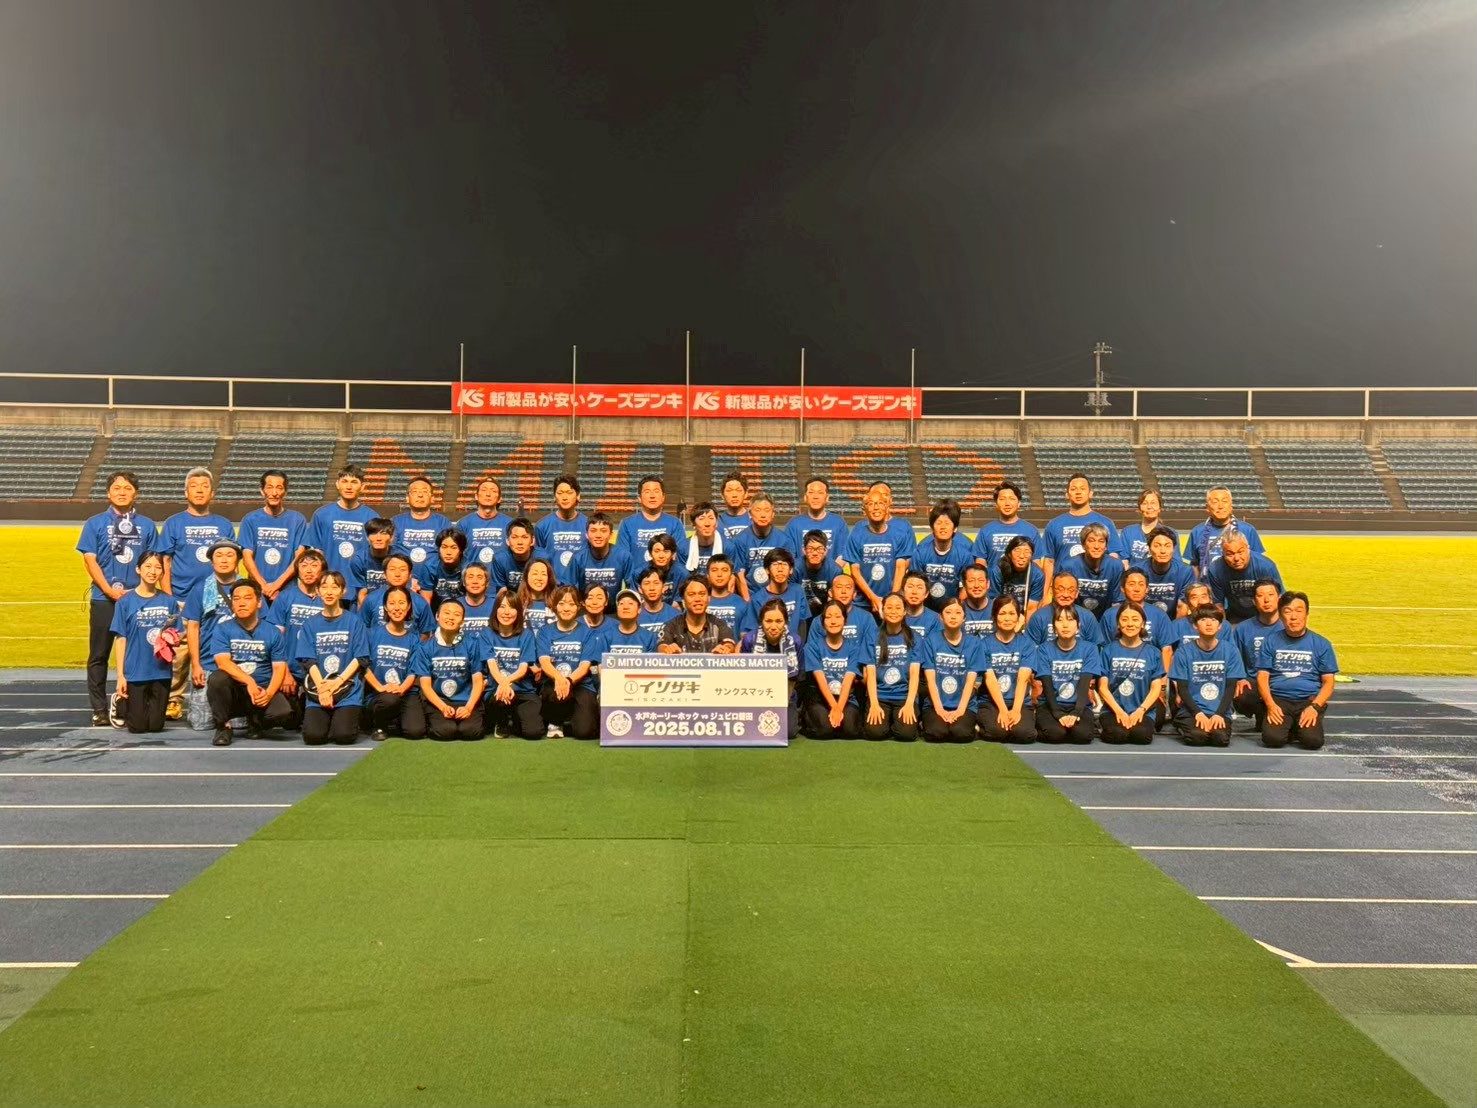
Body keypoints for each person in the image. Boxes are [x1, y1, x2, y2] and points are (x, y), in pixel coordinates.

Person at [78, 470, 160, 725]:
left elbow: (153, 563)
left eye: (127, 488)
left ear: (136, 493)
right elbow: (90, 560)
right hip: (104, 598)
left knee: (139, 654)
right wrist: (109, 590)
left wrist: (146, 593)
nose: (122, 492)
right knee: (99, 654)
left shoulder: (147, 525)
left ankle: (131, 704)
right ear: (108, 493)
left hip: (138, 600)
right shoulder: (94, 523)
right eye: (117, 488)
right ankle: (99, 709)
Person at [160, 467, 236, 719]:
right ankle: (173, 699)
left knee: (218, 648)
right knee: (179, 656)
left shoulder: (223, 524)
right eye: (194, 486)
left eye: (205, 486)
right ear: (186, 492)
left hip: (218, 600)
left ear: (212, 493)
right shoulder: (174, 523)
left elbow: (233, 561)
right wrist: (171, 598)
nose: (200, 490)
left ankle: (219, 699)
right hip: (183, 599)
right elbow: (165, 562)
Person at [206, 580, 292, 746]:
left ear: (259, 603)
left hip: (262, 688)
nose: (241, 603)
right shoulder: (222, 629)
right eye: (236, 599)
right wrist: (249, 681)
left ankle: (256, 720)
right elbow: (223, 662)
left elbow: (279, 667)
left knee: (283, 713)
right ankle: (223, 727)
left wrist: (269, 694)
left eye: (247, 598)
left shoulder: (273, 632)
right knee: (217, 679)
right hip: (235, 690)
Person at [294, 571, 370, 746]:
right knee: (313, 737)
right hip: (319, 689)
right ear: (318, 591)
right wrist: (322, 689)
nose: (329, 592)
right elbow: (308, 661)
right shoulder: (310, 624)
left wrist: (336, 683)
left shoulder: (354, 622)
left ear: (343, 591)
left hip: (347, 689)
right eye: (324, 587)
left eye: (334, 587)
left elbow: (360, 658)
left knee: (344, 736)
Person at [1256, 591, 1338, 751]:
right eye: (1287, 612)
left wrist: (1315, 707)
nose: (1293, 617)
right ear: (1280, 616)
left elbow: (1328, 681)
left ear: (1307, 614)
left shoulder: (1322, 644)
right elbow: (1262, 677)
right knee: (1272, 739)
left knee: (1312, 741)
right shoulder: (1270, 641)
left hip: (1308, 700)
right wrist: (1270, 705)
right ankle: (1289, 725)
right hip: (1279, 700)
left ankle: (1299, 724)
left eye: (1299, 611)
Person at [108, 551, 178, 734]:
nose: (152, 571)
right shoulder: (125, 602)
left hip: (161, 671)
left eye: (157, 568)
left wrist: (171, 638)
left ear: (162, 572)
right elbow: (121, 639)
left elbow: (178, 634)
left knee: (155, 726)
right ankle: (121, 704)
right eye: (148, 566)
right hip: (135, 671)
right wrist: (121, 675)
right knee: (137, 727)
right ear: (138, 569)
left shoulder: (169, 602)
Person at [1168, 603, 1245, 747]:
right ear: (1195, 626)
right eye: (1203, 620)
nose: (1209, 623)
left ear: (1220, 626)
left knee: (1220, 739)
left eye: (1214, 620)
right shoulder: (1183, 652)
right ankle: (1181, 724)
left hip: (1219, 710)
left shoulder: (1230, 651)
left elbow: (1230, 687)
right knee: (1197, 737)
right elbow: (1182, 688)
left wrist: (1218, 714)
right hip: (1192, 711)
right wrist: (1198, 713)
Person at [268, 548, 329, 723]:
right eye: (304, 566)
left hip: (320, 671)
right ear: (297, 570)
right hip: (291, 669)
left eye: (314, 566)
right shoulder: (285, 597)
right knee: (289, 721)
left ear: (323, 570)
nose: (309, 570)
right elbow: (275, 640)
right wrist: (285, 673)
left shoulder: (328, 598)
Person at [414, 598, 486, 741]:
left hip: (466, 701)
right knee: (445, 732)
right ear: (437, 616)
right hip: (439, 701)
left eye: (456, 614)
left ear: (463, 621)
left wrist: (468, 708)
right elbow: (425, 685)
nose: (451, 617)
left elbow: (478, 681)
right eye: (446, 613)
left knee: (471, 732)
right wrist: (443, 707)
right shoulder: (425, 647)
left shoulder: (472, 644)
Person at [184, 540, 246, 705]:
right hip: (208, 665)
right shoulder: (200, 589)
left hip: (241, 665)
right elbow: (193, 627)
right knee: (201, 718)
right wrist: (196, 665)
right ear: (212, 562)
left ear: (238, 560)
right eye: (219, 555)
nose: (224, 560)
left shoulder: (248, 589)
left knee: (238, 719)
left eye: (229, 555)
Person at [1040, 473, 1124, 593]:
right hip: (1064, 590)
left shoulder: (1106, 523)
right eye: (1074, 489)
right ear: (1067, 495)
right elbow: (1049, 562)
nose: (1078, 492)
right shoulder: (1054, 525)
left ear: (1091, 494)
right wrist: (1044, 594)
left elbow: (1113, 556)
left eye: (1082, 488)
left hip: (1097, 588)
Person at [1097, 602, 1166, 745]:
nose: (1129, 624)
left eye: (1135, 619)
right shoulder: (1108, 651)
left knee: (1141, 736)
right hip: (1113, 710)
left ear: (1143, 624)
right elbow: (1102, 687)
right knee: (1117, 735)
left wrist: (1141, 710)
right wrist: (1119, 711)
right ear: (1118, 624)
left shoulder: (1154, 653)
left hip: (1143, 710)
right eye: (1124, 619)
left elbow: (1156, 688)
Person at [536, 585, 601, 738]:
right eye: (561, 604)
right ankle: (555, 721)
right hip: (554, 684)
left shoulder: (587, 633)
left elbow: (584, 666)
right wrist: (559, 678)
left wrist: (569, 681)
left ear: (578, 606)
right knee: (553, 692)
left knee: (584, 732)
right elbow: (544, 662)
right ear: (554, 606)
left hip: (580, 685)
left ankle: (573, 721)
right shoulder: (545, 631)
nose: (566, 608)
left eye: (571, 604)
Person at [1031, 605, 1101, 744]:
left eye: (1070, 619)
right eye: (1060, 620)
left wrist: (1076, 713)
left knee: (1083, 736)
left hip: (1079, 705)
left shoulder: (1090, 649)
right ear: (1054, 627)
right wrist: (1058, 713)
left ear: (1078, 626)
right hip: (1050, 705)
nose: (1065, 625)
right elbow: (1047, 685)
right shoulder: (1044, 649)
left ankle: (1069, 728)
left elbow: (1084, 685)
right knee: (1055, 735)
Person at [839, 485, 914, 611]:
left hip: (891, 603)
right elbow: (855, 572)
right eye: (871, 504)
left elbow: (900, 567)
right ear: (864, 510)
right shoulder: (856, 534)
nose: (876, 507)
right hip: (862, 603)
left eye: (880, 503)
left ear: (887, 507)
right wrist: (873, 598)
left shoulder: (899, 534)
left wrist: (891, 598)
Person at [306, 465, 379, 594]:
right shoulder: (321, 515)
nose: (349, 487)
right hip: (329, 588)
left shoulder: (372, 517)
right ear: (337, 484)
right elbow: (316, 554)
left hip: (360, 588)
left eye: (354, 482)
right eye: (344, 481)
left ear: (362, 487)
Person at [362, 585, 422, 741]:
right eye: (392, 603)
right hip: (378, 693)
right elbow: (364, 666)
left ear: (408, 607)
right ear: (385, 608)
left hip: (405, 692)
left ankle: (396, 720)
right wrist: (380, 687)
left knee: (415, 731)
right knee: (389, 700)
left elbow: (413, 672)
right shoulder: (372, 634)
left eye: (401, 603)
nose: (397, 608)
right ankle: (378, 724)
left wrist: (401, 689)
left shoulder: (414, 639)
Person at [238, 470, 307, 603]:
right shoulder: (250, 520)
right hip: (258, 591)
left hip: (287, 591)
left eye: (279, 488)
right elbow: (247, 558)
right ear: (262, 491)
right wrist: (263, 586)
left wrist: (277, 585)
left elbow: (299, 558)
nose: (274, 493)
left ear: (285, 492)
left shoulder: (297, 520)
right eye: (269, 487)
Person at [922, 597, 985, 742]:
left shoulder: (974, 643)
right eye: (948, 612)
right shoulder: (931, 641)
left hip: (964, 705)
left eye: (958, 613)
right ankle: (925, 723)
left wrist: (960, 711)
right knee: (936, 733)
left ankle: (971, 725)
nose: (953, 616)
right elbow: (931, 681)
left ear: (964, 618)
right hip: (935, 704)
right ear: (941, 617)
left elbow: (970, 683)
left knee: (960, 733)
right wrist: (939, 710)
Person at [863, 593, 924, 741]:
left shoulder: (914, 637)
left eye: (898, 608)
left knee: (906, 734)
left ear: (904, 612)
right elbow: (871, 674)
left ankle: (896, 721)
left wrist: (910, 704)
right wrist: (874, 704)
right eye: (889, 607)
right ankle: (887, 722)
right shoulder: (872, 635)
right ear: (882, 611)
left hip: (903, 696)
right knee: (875, 733)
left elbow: (914, 674)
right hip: (880, 696)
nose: (893, 611)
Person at [740, 597, 802, 740]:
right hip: (754, 695)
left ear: (786, 622)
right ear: (761, 622)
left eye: (778, 621)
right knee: (750, 730)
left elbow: (797, 678)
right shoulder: (749, 640)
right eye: (768, 621)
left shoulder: (795, 642)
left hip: (785, 697)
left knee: (788, 732)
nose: (773, 627)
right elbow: (743, 676)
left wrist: (781, 703)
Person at [483, 591, 541, 739]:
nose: (507, 612)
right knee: (500, 698)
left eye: (512, 607)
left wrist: (506, 682)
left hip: (523, 690)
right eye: (502, 607)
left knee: (533, 732)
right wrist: (503, 684)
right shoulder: (487, 634)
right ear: (496, 610)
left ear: (518, 612)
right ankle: (501, 722)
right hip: (497, 691)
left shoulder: (526, 635)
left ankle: (516, 719)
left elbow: (523, 669)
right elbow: (491, 664)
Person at [803, 599, 864, 739]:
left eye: (838, 616)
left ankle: (836, 722)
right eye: (828, 617)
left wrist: (838, 708)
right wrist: (834, 707)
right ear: (823, 622)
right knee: (824, 730)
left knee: (851, 730)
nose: (833, 621)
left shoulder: (854, 647)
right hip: (820, 699)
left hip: (846, 699)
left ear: (845, 620)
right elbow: (821, 680)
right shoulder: (812, 646)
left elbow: (848, 681)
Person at [979, 596, 1036, 744]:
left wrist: (1016, 710)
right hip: (991, 702)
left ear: (1018, 617)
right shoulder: (984, 644)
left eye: (1011, 614)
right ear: (994, 616)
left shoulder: (1027, 644)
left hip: (1019, 702)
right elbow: (990, 679)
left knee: (1024, 734)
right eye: (1002, 613)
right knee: (997, 732)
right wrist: (1003, 710)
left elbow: (1023, 679)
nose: (1007, 618)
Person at [1232, 579, 1284, 730]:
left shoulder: (1288, 625)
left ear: (1279, 598)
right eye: (1260, 596)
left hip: (1282, 681)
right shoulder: (1243, 629)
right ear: (1254, 601)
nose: (1266, 600)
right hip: (1254, 681)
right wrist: (1240, 679)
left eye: (1271, 595)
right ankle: (1261, 713)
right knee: (1242, 693)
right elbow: (1235, 660)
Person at [729, 495, 797, 601]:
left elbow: (788, 573)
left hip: (778, 598)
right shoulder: (740, 540)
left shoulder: (784, 541)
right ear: (750, 514)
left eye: (767, 510)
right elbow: (740, 576)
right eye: (758, 510)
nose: (763, 515)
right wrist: (748, 603)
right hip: (750, 597)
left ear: (773, 514)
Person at [910, 498, 974, 611]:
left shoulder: (965, 555)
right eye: (939, 523)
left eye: (947, 523)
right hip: (926, 610)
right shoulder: (920, 552)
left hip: (952, 610)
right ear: (932, 528)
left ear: (955, 528)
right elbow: (915, 585)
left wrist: (954, 611)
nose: (943, 527)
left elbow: (965, 588)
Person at [1205, 534, 1283, 624]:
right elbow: (1218, 603)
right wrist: (1224, 629)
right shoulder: (1215, 569)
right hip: (1235, 617)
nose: (1236, 558)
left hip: (1265, 617)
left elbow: (1280, 598)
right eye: (1230, 554)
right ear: (1223, 554)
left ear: (1248, 549)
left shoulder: (1266, 566)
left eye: (1240, 552)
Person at [1187, 486, 1266, 574]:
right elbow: (1194, 565)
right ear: (1207, 507)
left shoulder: (1248, 530)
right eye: (1215, 502)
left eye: (1225, 501)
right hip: (1207, 581)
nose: (1220, 506)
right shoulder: (1197, 532)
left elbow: (1259, 562)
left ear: (1231, 505)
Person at [1052, 523, 1125, 618]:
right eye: (1091, 541)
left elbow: (1117, 602)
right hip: (1074, 617)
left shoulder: (1116, 566)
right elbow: (1062, 598)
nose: (1096, 546)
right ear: (1083, 544)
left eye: (1101, 541)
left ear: (1106, 546)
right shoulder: (1068, 566)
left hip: (1104, 617)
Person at [360, 553, 435, 638]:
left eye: (402, 570)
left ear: (410, 575)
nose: (397, 574)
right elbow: (362, 628)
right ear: (385, 574)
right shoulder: (371, 599)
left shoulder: (420, 602)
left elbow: (425, 633)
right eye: (392, 569)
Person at [618, 475, 685, 567]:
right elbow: (623, 559)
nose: (652, 496)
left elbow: (680, 556)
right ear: (639, 498)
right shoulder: (627, 524)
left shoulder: (675, 524)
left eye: (656, 491)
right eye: (647, 492)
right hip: (637, 576)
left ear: (663, 497)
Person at [659, 576, 737, 654]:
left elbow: (729, 644)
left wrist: (726, 649)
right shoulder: (671, 626)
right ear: (683, 601)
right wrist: (667, 649)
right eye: (691, 595)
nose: (697, 599)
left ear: (709, 598)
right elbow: (662, 646)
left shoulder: (720, 625)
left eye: (702, 594)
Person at [1025, 573, 1106, 647]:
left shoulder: (1087, 617)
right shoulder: (1039, 617)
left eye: (1071, 590)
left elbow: (1096, 648)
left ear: (1076, 593)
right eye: (1060, 589)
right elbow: (1030, 650)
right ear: (1052, 591)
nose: (1066, 595)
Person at [391, 475, 451, 572]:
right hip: (403, 577)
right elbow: (390, 552)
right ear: (407, 498)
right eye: (415, 492)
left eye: (424, 491)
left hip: (434, 577)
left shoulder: (443, 522)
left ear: (432, 498)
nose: (420, 495)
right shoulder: (395, 522)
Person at [536, 473, 589, 584]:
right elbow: (538, 560)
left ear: (578, 496)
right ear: (554, 497)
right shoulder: (542, 526)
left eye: (569, 493)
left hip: (581, 587)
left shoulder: (588, 525)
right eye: (560, 493)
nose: (564, 497)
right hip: (552, 587)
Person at [971, 481, 1039, 566]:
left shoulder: (1031, 531)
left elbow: (1036, 561)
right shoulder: (985, 531)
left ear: (1019, 503)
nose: (1007, 503)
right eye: (1002, 499)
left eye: (1012, 499)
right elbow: (980, 559)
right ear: (996, 503)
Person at [746, 548, 807, 637]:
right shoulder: (757, 599)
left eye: (784, 565)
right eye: (775, 565)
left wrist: (798, 644)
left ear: (791, 570)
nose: (780, 569)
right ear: (767, 570)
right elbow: (753, 630)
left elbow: (802, 624)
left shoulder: (798, 591)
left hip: (794, 644)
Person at [569, 511, 631, 598]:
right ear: (587, 534)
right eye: (593, 531)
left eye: (603, 531)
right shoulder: (578, 558)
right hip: (586, 606)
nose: (598, 535)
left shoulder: (623, 556)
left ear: (611, 535)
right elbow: (570, 588)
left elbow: (631, 586)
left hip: (614, 606)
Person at [784, 478, 848, 561]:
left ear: (827, 498)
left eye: (820, 493)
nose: (815, 497)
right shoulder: (794, 524)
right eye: (811, 492)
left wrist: (832, 568)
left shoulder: (838, 523)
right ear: (805, 497)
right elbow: (788, 555)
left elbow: (843, 554)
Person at [1137, 526, 1196, 616]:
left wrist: (1175, 625)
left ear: (1174, 549)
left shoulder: (1185, 572)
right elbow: (1134, 604)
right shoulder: (1137, 571)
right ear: (1149, 548)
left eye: (1167, 546)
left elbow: (1182, 606)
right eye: (1157, 546)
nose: (1163, 551)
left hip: (1173, 621)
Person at [457, 476, 512, 567]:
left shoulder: (510, 524)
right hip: (472, 575)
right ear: (476, 496)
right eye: (484, 490)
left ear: (499, 499)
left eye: (493, 491)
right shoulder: (463, 524)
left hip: (500, 576)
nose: (488, 494)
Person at [988, 536, 1044, 617]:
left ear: (1032, 556)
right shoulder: (998, 571)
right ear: (1009, 554)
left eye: (1027, 552)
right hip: (1002, 613)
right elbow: (994, 602)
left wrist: (1027, 625)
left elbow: (1032, 608)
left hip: (1023, 614)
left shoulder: (1037, 575)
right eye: (1017, 551)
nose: (1022, 556)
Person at [416, 528, 469, 610]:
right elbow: (426, 601)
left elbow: (473, 599)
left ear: (461, 550)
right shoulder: (430, 567)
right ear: (439, 549)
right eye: (444, 547)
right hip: (437, 610)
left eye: (453, 548)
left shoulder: (468, 567)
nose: (448, 552)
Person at [827, 572, 878, 656]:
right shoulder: (821, 620)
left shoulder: (866, 618)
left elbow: (870, 651)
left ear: (854, 594)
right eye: (839, 587)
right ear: (830, 593)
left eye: (848, 587)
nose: (843, 591)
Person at [1121, 490, 1177, 566]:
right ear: (1139, 508)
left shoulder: (1170, 533)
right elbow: (1124, 560)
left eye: (1153, 503)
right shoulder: (1128, 532)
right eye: (1145, 503)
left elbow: (1176, 562)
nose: (1149, 507)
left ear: (1160, 508)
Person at [490, 518, 544, 596]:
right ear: (507, 541)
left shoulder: (543, 558)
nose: (519, 542)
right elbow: (501, 591)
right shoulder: (500, 559)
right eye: (514, 537)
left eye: (524, 537)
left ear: (532, 541)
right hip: (511, 599)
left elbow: (548, 590)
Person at [795, 530, 841, 619]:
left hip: (825, 614)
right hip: (800, 612)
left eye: (819, 549)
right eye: (810, 549)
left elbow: (836, 601)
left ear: (825, 551)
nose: (815, 553)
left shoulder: (835, 570)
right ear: (804, 550)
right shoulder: (795, 569)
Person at [600, 589, 661, 655]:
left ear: (639, 609)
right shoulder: (606, 636)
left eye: (630, 603)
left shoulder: (649, 637)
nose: (626, 607)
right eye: (621, 603)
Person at [701, 555, 749, 636]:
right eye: (714, 570)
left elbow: (745, 637)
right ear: (708, 575)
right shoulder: (699, 602)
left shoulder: (741, 604)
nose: (719, 574)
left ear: (731, 575)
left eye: (724, 570)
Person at [352, 517, 398, 599]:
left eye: (384, 533)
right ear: (367, 537)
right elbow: (362, 593)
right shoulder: (359, 559)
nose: (378, 538)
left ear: (392, 538)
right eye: (373, 533)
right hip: (368, 601)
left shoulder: (400, 559)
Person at [637, 567, 682, 638]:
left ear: (664, 588)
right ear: (640, 589)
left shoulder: (676, 616)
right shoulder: (633, 616)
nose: (652, 588)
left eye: (656, 583)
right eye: (647, 583)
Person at [517, 557, 559, 633]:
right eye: (535, 574)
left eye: (543, 574)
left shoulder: (557, 603)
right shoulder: (517, 603)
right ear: (526, 576)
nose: (539, 578)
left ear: (549, 578)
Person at [647, 533, 691, 604]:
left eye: (666, 551)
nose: (661, 556)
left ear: (673, 554)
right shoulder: (639, 573)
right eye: (657, 551)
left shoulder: (682, 574)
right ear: (650, 553)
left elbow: (679, 603)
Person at [684, 502, 723, 576]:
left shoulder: (728, 546)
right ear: (693, 524)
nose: (707, 523)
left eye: (711, 518)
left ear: (717, 523)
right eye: (701, 519)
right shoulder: (684, 547)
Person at [900, 571, 943, 638]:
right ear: (903, 591)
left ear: (926, 594)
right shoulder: (895, 615)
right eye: (910, 587)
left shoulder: (935, 619)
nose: (914, 592)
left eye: (919, 587)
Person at [458, 563, 496, 635]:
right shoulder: (455, 606)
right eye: (470, 577)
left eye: (479, 577)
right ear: (464, 582)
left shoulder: (496, 606)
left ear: (487, 583)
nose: (475, 581)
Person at [960, 565, 996, 638]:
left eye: (981, 581)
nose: (976, 585)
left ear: (988, 584)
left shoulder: (997, 609)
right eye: (971, 581)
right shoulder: (958, 610)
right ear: (964, 584)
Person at [716, 471, 751, 539]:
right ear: (722, 495)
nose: (734, 495)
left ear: (746, 493)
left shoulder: (754, 520)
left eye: (738, 490)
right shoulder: (716, 523)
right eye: (729, 491)